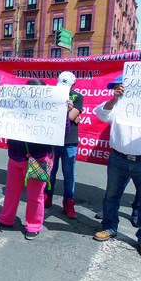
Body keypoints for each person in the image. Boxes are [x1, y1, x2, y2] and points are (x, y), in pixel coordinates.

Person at [0, 79, 71, 239]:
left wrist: (64, 113)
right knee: (11, 191)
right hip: (15, 156)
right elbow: (4, 127)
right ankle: (6, 219)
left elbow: (64, 134)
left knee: (35, 195)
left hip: (39, 159)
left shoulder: (51, 110)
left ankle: (33, 225)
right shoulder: (17, 107)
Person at [93, 75, 141, 260]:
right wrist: (114, 99)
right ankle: (109, 228)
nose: (118, 90)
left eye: (120, 87)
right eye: (116, 88)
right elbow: (101, 113)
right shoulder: (116, 105)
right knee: (111, 196)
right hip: (119, 159)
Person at [45, 71, 83, 218]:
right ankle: (47, 197)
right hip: (53, 140)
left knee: (69, 174)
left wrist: (70, 113)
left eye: (67, 86)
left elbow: (71, 116)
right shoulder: (52, 94)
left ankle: (68, 202)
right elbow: (48, 116)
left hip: (70, 142)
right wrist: (68, 114)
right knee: (50, 172)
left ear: (74, 85)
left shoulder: (78, 97)